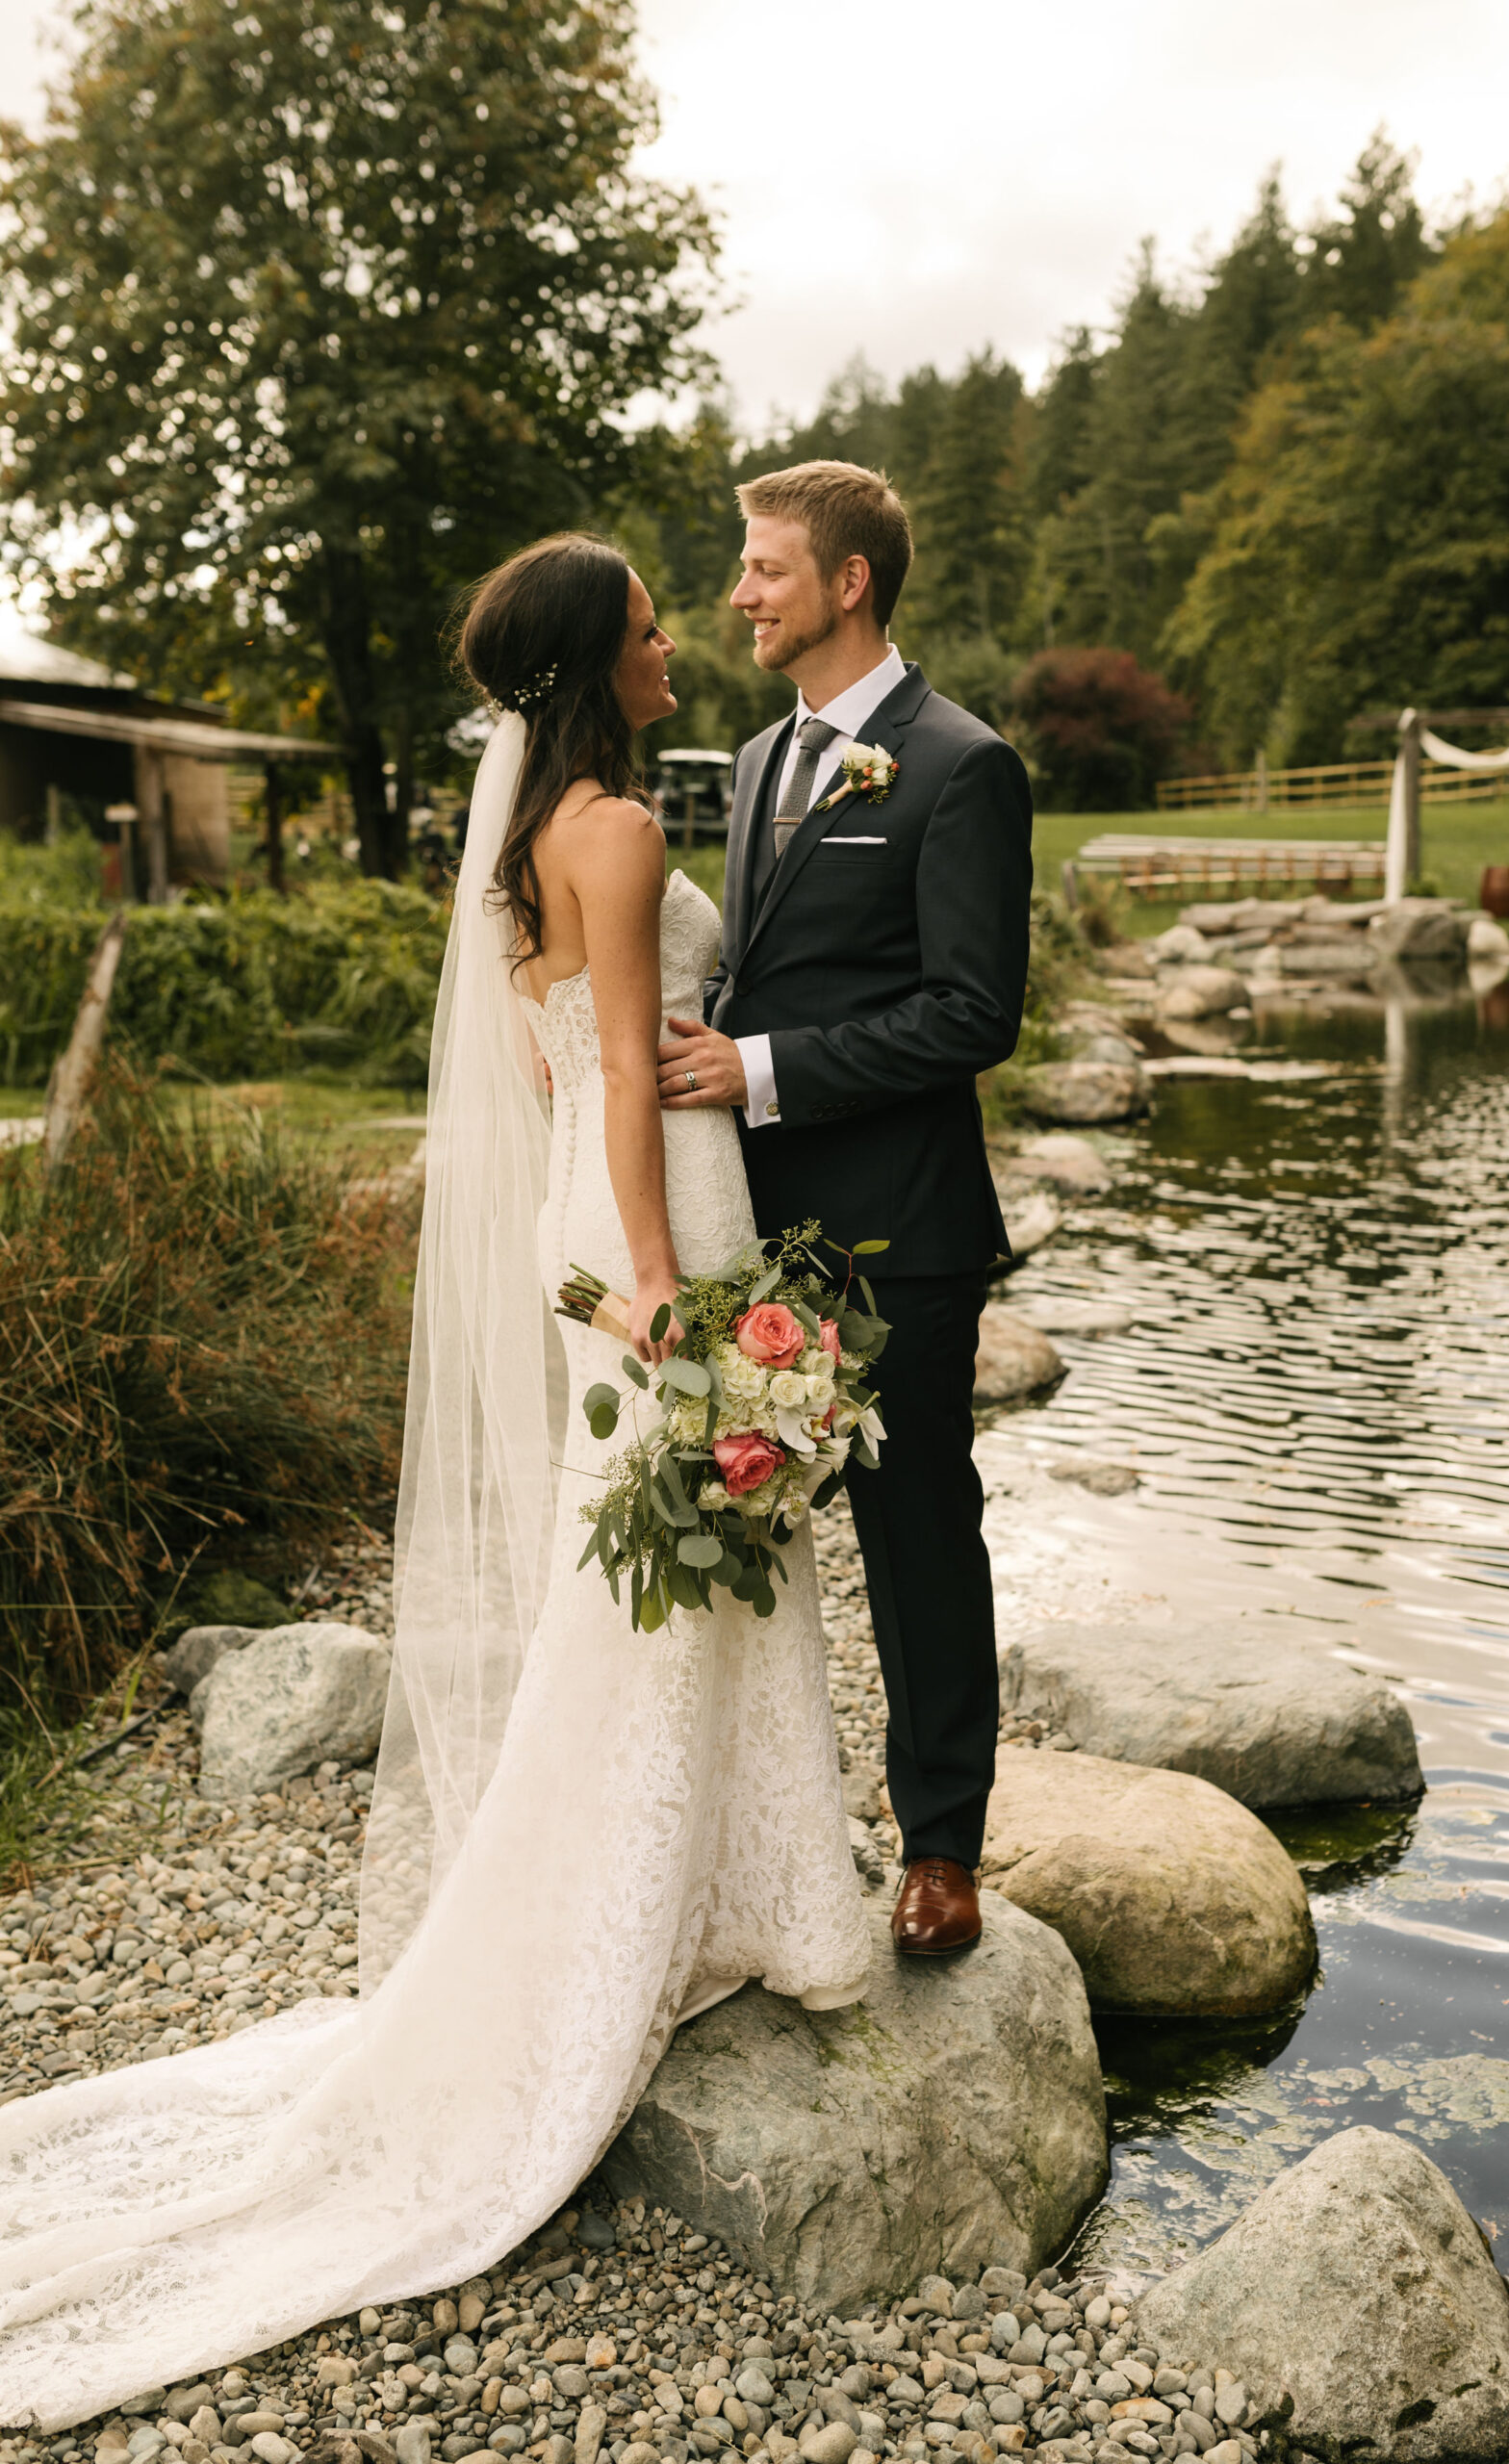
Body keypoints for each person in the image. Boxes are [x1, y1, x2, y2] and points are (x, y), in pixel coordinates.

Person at [0, 533, 869, 2429]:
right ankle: (675, 1908)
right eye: (648, 620)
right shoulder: (619, 832)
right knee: (685, 1563)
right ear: (593, 655)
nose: (670, 640)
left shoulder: (522, 829)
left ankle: (728, 1886)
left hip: (591, 1222)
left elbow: (569, 1077)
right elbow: (625, 1085)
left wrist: (608, 1250)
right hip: (653, 1230)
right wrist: (658, 1289)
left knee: (651, 1567)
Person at [655, 462, 1033, 1961]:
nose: (740, 593)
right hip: (762, 1233)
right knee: (748, 1517)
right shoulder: (755, 760)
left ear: (848, 581)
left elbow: (972, 1014)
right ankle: (763, 1833)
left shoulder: (960, 764)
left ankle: (944, 1849)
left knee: (918, 1530)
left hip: (904, 1236)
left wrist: (751, 1068)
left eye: (765, 568)